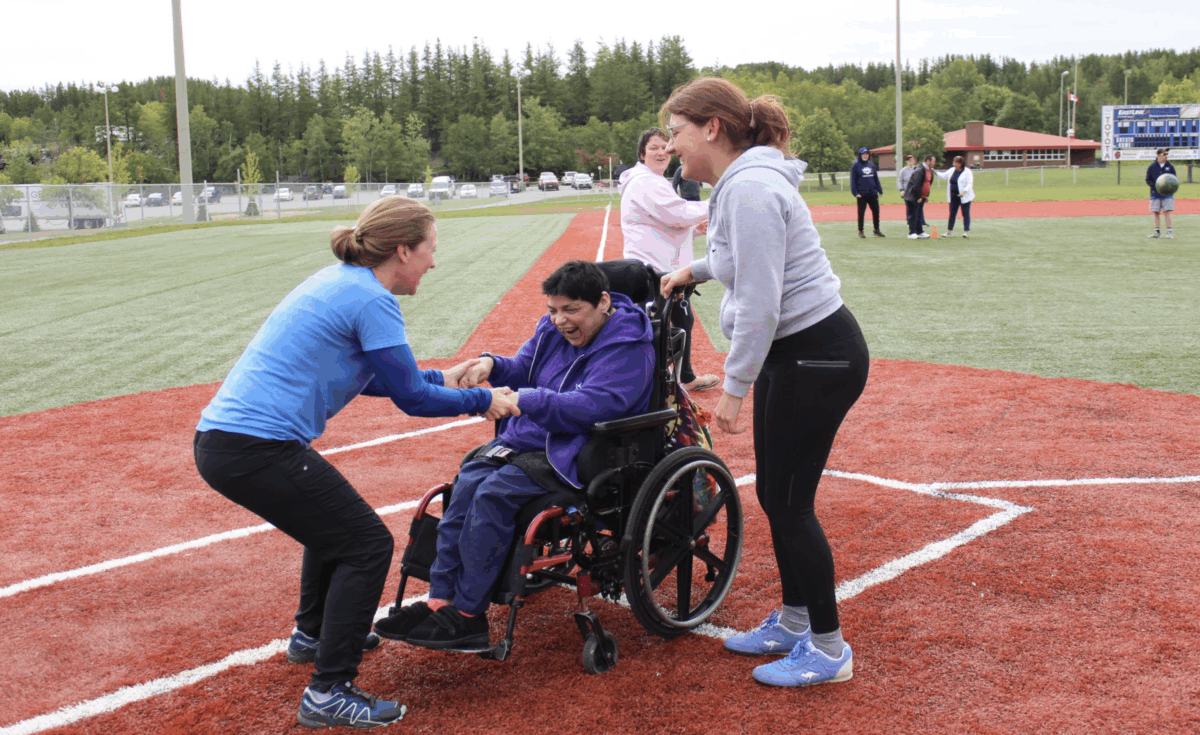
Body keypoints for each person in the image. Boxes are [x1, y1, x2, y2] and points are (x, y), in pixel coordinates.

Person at [193, 197, 519, 729]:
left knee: (336, 534)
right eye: (430, 250)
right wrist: (484, 401)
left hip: (229, 443)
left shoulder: (340, 280)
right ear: (402, 249)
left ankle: (313, 634)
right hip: (253, 448)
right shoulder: (372, 300)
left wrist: (446, 379)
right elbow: (408, 398)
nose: (434, 263)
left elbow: (381, 379)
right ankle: (328, 691)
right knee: (367, 544)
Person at [658, 77, 870, 688]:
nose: (671, 145)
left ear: (712, 129)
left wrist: (733, 385)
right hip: (797, 355)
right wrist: (691, 269)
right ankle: (794, 619)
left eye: (676, 132)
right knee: (778, 495)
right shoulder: (740, 184)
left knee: (789, 502)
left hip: (816, 356)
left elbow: (759, 301)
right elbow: (735, 263)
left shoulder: (749, 187)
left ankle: (828, 650)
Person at [373, 259, 655, 651]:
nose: (559, 321)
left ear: (603, 302)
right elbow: (524, 367)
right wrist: (490, 364)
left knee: (494, 495)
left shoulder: (629, 345)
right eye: (553, 310)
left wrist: (527, 399)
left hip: (578, 448)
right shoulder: (553, 328)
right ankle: (441, 600)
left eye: (571, 310)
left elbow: (597, 405)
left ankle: (469, 615)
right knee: (465, 485)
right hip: (531, 436)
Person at [619, 128, 719, 392]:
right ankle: (648, 384)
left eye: (665, 146)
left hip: (663, 267)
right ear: (642, 154)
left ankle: (684, 377)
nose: (661, 151)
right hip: (652, 269)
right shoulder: (645, 182)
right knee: (656, 327)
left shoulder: (653, 182)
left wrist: (695, 230)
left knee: (682, 320)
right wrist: (719, 201)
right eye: (653, 147)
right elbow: (677, 214)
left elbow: (666, 225)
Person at [935, 155, 975, 238]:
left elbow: (969, 183)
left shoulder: (967, 171)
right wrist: (934, 172)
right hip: (953, 196)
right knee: (952, 214)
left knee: (965, 214)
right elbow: (943, 176)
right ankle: (949, 232)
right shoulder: (952, 170)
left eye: (956, 163)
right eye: (954, 162)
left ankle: (966, 232)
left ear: (961, 163)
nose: (954, 164)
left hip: (964, 196)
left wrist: (964, 192)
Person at [849, 146, 885, 238]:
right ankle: (861, 231)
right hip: (862, 194)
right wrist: (855, 193)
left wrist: (879, 190)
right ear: (860, 155)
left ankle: (876, 229)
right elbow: (853, 181)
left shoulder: (871, 165)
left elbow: (876, 178)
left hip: (873, 193)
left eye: (867, 154)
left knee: (876, 212)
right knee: (861, 213)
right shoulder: (855, 166)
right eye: (863, 154)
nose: (865, 156)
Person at [903, 154, 936, 239]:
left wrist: (925, 195)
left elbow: (928, 183)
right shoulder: (919, 170)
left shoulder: (928, 170)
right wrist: (918, 197)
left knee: (918, 214)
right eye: (933, 161)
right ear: (927, 161)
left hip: (921, 197)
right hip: (913, 197)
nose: (934, 163)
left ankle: (919, 231)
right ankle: (912, 232)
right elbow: (916, 185)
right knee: (913, 214)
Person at [1146, 148, 1176, 239]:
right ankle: (1157, 232)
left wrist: (1169, 188)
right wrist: (1156, 186)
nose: (1166, 156)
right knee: (1156, 213)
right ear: (1158, 155)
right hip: (1155, 194)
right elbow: (1148, 180)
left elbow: (1174, 179)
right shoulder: (1152, 167)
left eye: (1167, 154)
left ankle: (1169, 232)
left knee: (1167, 212)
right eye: (1164, 154)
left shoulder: (1170, 167)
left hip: (1167, 194)